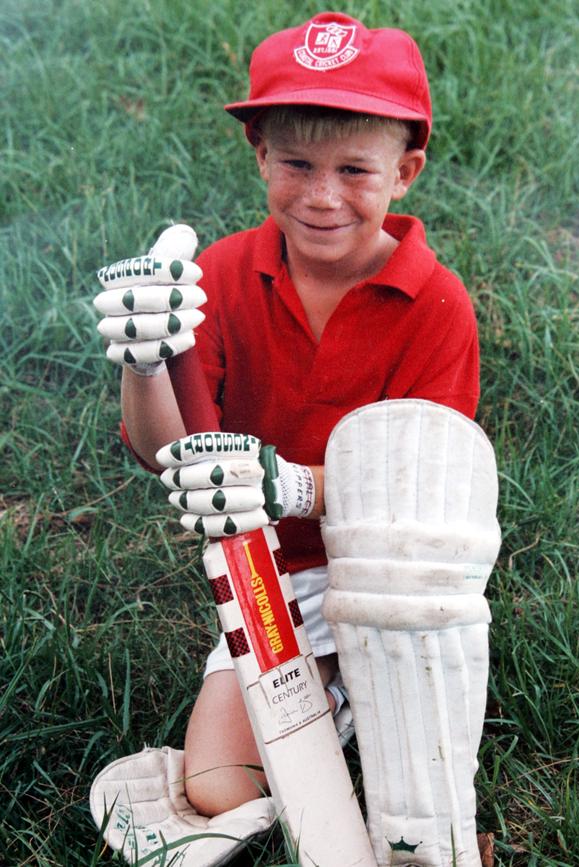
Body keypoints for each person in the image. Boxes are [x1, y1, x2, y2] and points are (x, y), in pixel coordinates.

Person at [92, 8, 481, 846]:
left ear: (405, 170)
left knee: (416, 791)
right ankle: (326, 691)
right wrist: (147, 360)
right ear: (259, 154)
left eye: (355, 169)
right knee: (217, 784)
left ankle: (348, 685)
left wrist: (291, 483)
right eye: (296, 163)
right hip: (270, 576)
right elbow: (168, 453)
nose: (322, 195)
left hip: (393, 570)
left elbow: (425, 483)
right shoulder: (223, 275)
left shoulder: (436, 303)